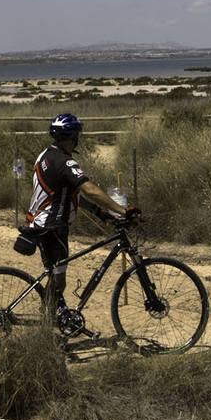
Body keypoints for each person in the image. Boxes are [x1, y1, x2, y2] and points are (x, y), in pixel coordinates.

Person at [21, 113, 135, 323]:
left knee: (55, 278)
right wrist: (121, 210)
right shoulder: (64, 162)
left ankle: (49, 322)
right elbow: (89, 189)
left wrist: (100, 213)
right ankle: (46, 325)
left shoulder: (45, 155)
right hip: (52, 226)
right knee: (59, 281)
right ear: (73, 136)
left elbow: (68, 195)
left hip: (41, 222)